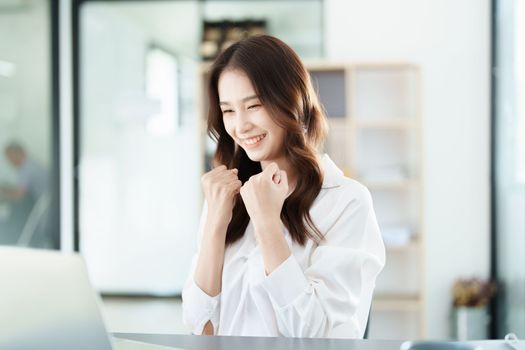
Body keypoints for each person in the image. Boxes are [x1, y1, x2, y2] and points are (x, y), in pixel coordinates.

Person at [182, 35, 385, 338]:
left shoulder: (347, 201)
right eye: (228, 111)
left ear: (292, 100)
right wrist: (215, 224)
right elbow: (200, 329)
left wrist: (267, 225)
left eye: (254, 105)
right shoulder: (227, 199)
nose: (240, 125)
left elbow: (315, 336)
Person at [0, 141, 50, 245]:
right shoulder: (32, 164)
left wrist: (4, 195)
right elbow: (22, 189)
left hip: (42, 211)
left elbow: (19, 195)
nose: (10, 162)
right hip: (42, 206)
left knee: (11, 216)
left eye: (10, 157)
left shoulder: (26, 168)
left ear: (19, 153)